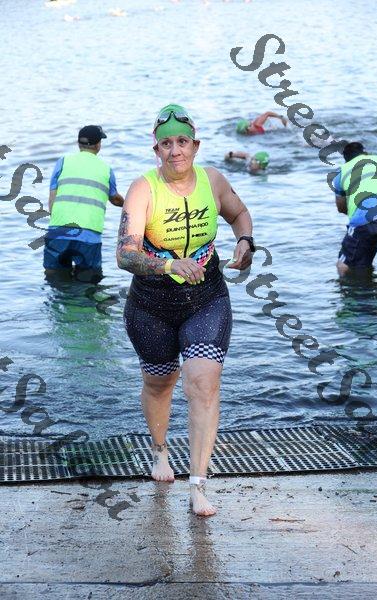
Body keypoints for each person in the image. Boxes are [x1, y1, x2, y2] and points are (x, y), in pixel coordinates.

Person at [117, 104, 254, 517]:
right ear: (156, 149)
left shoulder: (213, 180)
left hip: (207, 299)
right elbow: (125, 254)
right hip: (151, 306)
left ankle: (198, 485)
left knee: (203, 383)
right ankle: (160, 451)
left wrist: (245, 242)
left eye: (182, 142)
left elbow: (239, 213)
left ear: (195, 145)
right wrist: (168, 266)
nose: (175, 150)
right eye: (166, 143)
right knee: (160, 384)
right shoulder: (143, 189)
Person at [44, 125, 124, 282]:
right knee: (89, 283)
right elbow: (115, 199)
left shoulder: (63, 162)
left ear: (78, 143)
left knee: (55, 278)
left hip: (58, 232)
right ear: (98, 144)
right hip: (88, 236)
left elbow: (52, 197)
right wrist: (130, 204)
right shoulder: (106, 169)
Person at [333, 141, 377, 276]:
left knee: (344, 265)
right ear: (366, 153)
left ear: (346, 159)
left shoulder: (343, 171)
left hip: (368, 218)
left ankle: (355, 288)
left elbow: (341, 208)